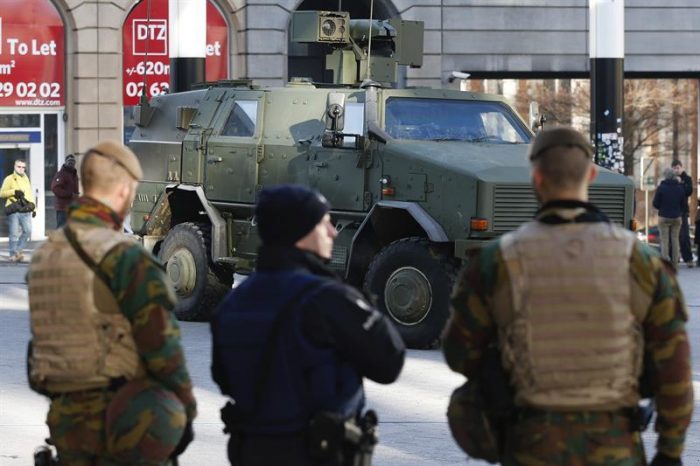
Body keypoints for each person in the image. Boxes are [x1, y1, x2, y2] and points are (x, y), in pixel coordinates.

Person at [443, 127, 693, 466]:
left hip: (530, 444)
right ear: (590, 174)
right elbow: (674, 368)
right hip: (615, 446)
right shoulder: (642, 263)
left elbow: (459, 354)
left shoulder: (496, 261)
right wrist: (670, 452)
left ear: (536, 177)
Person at [27, 140, 197, 465]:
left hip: (66, 420)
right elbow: (162, 347)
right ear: (122, 189)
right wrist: (184, 410)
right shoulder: (125, 257)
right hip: (123, 423)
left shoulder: (46, 255)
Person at [211, 184, 406, 466]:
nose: (333, 232)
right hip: (317, 453)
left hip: (252, 450)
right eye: (324, 222)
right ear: (300, 231)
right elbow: (390, 362)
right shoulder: (325, 297)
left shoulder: (233, 303)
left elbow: (223, 377)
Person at [0, 158, 36, 262]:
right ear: (15, 167)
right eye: (19, 167)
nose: (21, 169)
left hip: (25, 209)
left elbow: (29, 194)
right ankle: (13, 255)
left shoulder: (26, 178)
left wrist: (34, 208)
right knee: (14, 234)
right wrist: (14, 191)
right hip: (14, 209)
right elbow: (1, 193)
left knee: (28, 231)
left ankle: (17, 251)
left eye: (23, 167)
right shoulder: (9, 179)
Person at [653, 167, 686, 267]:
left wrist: (662, 208)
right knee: (675, 240)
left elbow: (655, 203)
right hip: (676, 217)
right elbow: (683, 204)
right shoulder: (680, 188)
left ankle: (665, 264)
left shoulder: (661, 188)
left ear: (665, 176)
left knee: (664, 241)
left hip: (664, 217)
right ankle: (675, 263)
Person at [671, 160, 693, 267]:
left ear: (682, 168)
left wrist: (680, 183)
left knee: (684, 236)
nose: (676, 170)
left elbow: (689, 191)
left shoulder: (687, 179)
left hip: (683, 211)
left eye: (678, 167)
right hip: (672, 212)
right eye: (674, 168)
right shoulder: (670, 180)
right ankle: (674, 258)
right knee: (672, 236)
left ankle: (688, 258)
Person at [51, 153, 80, 228]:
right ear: (65, 162)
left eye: (73, 161)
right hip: (63, 207)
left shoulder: (74, 175)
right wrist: (70, 194)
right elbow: (55, 189)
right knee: (61, 228)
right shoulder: (61, 174)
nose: (71, 163)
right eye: (69, 161)